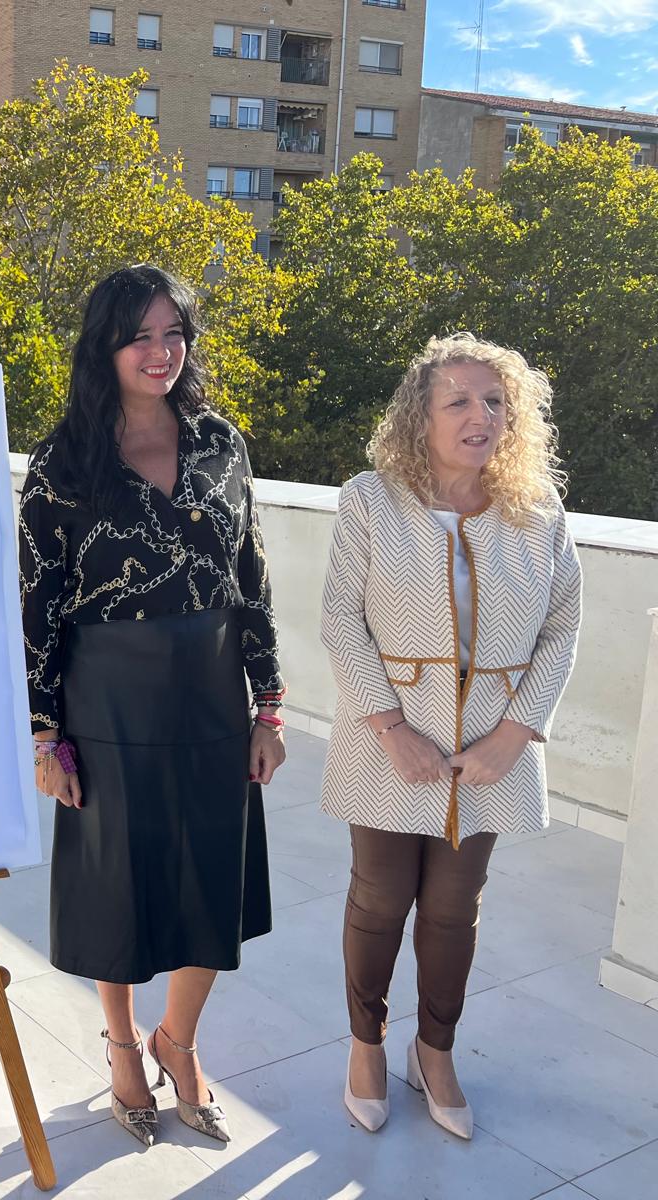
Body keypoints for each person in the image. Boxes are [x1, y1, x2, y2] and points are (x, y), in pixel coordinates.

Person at [18, 265, 285, 1148]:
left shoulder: (222, 442)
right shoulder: (63, 463)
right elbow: (36, 603)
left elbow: (251, 575)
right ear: (104, 345)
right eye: (141, 335)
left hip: (212, 690)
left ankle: (181, 1038)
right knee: (116, 883)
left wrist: (268, 706)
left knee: (213, 875)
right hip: (109, 700)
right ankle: (125, 1047)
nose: (161, 351)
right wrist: (45, 732)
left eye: (175, 333)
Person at [321, 333, 581, 1140]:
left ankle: (435, 1052)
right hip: (386, 743)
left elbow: (563, 627)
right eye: (458, 401)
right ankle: (367, 1047)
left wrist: (518, 732)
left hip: (490, 753)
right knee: (379, 898)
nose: (480, 416)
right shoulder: (371, 499)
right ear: (420, 416)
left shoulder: (536, 511)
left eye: (495, 401)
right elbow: (339, 619)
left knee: (451, 907)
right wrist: (393, 728)